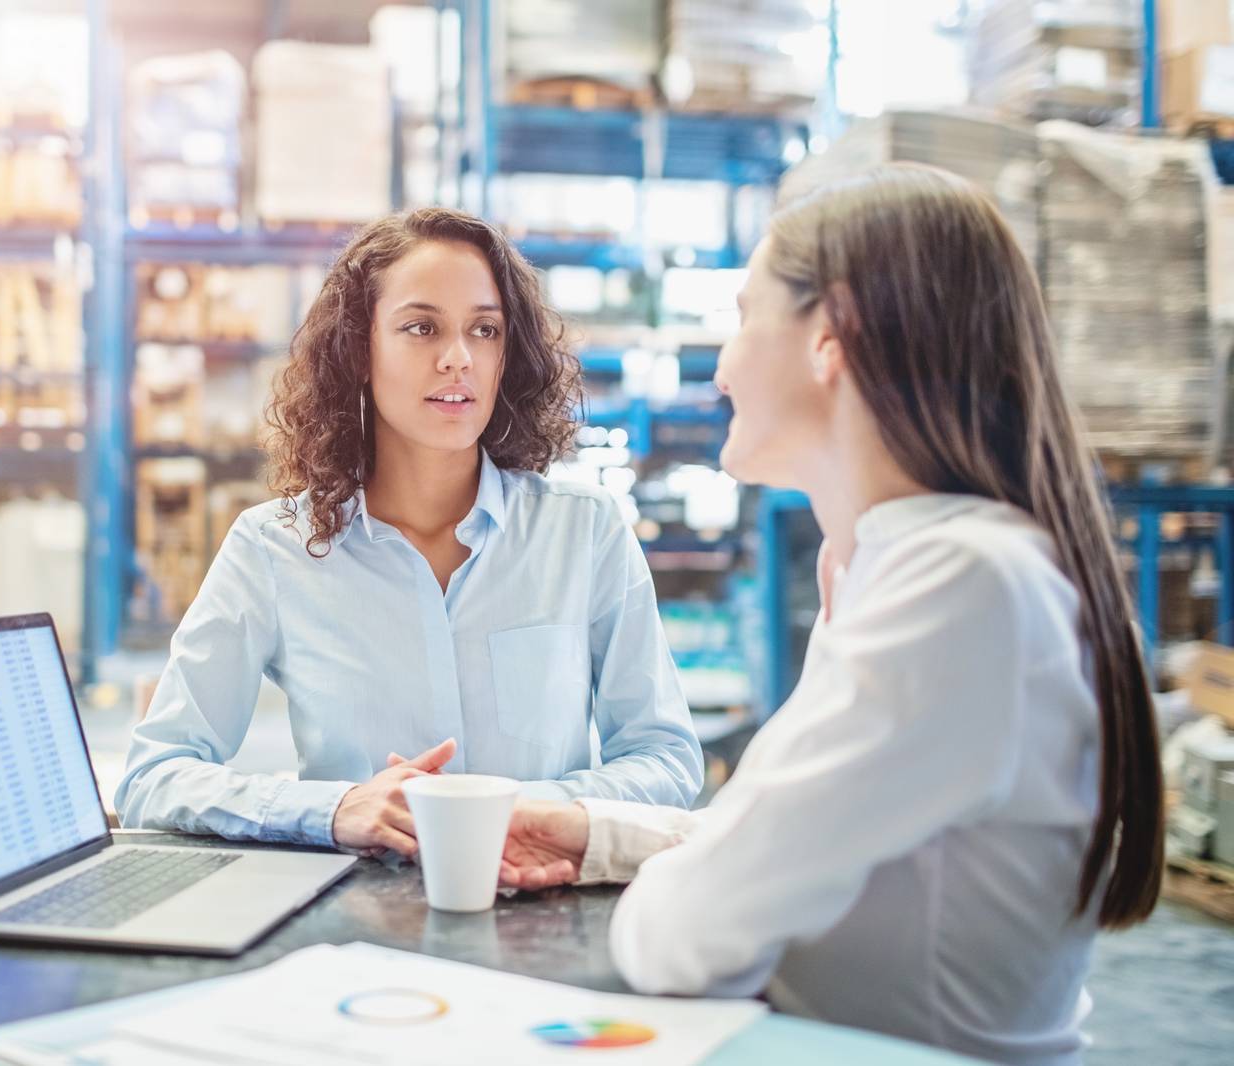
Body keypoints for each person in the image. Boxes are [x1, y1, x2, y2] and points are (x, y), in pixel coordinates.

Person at [495, 164, 1164, 1066]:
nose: (723, 368)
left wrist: (668, 881)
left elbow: (688, 937)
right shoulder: (891, 561)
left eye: (742, 318)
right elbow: (807, 840)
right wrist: (597, 834)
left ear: (832, 335)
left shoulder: (959, 585)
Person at [116, 207, 704, 858]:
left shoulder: (584, 533)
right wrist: (336, 809)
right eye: (421, 328)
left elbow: (665, 759)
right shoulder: (273, 549)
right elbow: (156, 775)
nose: (458, 358)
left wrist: (525, 812)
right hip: (354, 919)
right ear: (358, 351)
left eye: (484, 330)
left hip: (546, 911)